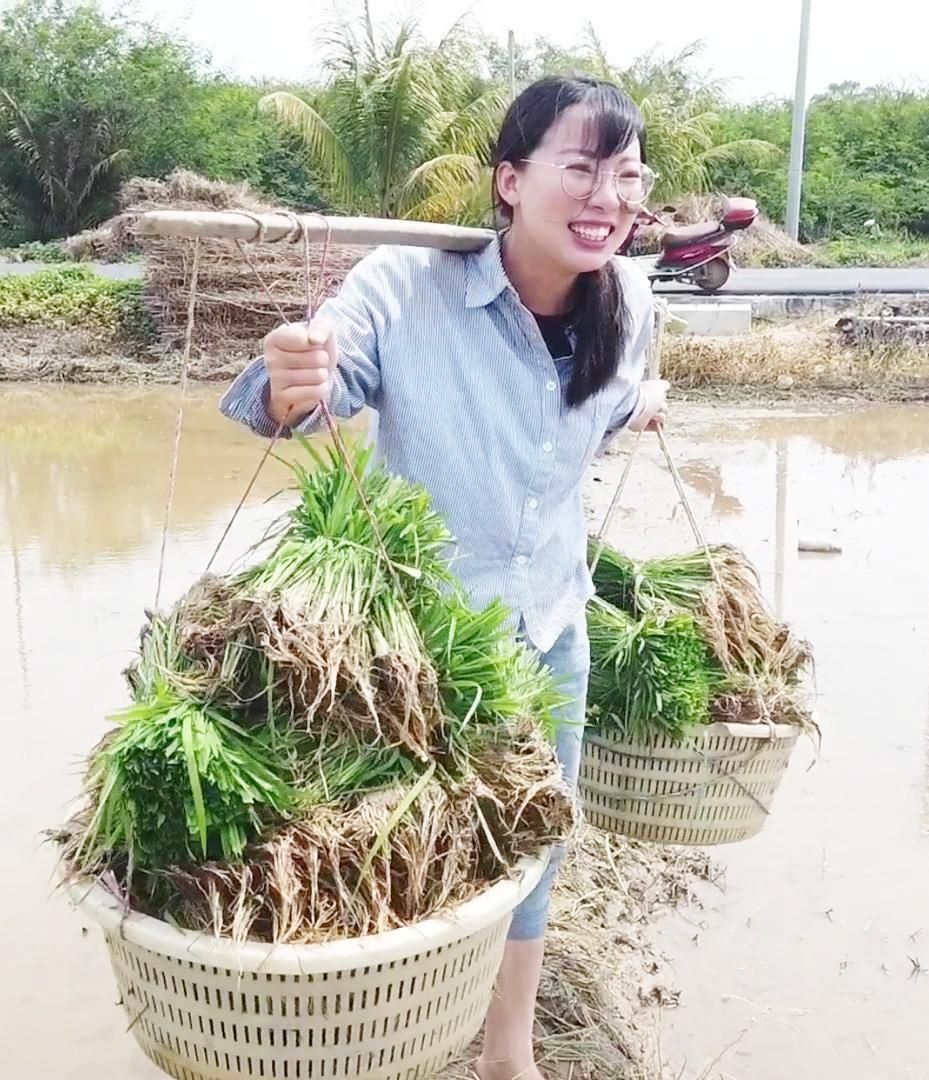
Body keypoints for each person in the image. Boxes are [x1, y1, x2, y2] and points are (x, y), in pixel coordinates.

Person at [219, 74, 667, 1080]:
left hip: (552, 624)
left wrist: (640, 406)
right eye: (581, 166)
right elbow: (305, 396)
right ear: (510, 181)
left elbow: (596, 421)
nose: (608, 196)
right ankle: (383, 1040)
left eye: (627, 175)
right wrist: (293, 377)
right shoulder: (404, 285)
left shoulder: (631, 300)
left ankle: (508, 1057)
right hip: (415, 647)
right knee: (392, 850)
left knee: (532, 841)